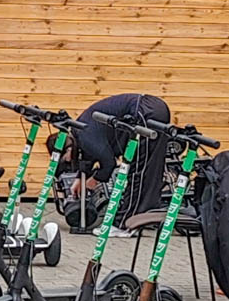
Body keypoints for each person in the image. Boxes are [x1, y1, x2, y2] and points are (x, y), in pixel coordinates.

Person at [68, 93, 171, 233]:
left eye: (66, 158)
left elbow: (108, 162)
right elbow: (91, 154)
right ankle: (144, 215)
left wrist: (95, 180)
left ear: (68, 148)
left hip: (144, 111)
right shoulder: (79, 129)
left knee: (140, 172)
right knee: (147, 171)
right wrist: (80, 177)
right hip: (149, 107)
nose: (69, 161)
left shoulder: (84, 136)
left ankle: (125, 225)